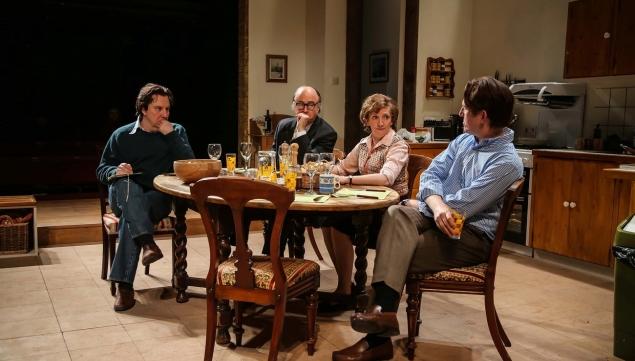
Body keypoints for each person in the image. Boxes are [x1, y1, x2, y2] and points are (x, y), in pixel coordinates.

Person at [332, 77, 523, 361]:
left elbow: (462, 205)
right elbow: (432, 175)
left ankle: (377, 334)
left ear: (482, 116)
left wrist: (430, 203)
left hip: (470, 236)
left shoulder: (506, 162)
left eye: (464, 108)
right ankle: (380, 321)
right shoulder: (463, 141)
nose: (460, 113)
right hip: (438, 217)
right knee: (396, 213)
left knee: (396, 244)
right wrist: (434, 203)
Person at [96, 83, 194, 312]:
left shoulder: (175, 131)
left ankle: (124, 286)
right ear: (143, 108)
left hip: (155, 199)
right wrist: (115, 171)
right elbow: (101, 169)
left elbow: (189, 165)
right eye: (158, 109)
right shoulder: (122, 135)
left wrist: (170, 136)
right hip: (123, 195)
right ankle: (147, 242)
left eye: (167, 109)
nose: (164, 114)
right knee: (124, 184)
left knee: (132, 219)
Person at [322, 93, 409, 300]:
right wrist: (321, 169)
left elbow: (387, 178)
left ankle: (345, 289)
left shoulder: (398, 145)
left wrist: (350, 181)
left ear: (392, 119)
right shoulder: (364, 144)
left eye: (386, 117)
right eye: (375, 117)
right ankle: (345, 284)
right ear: (366, 119)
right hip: (368, 205)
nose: (381, 123)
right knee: (327, 221)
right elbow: (342, 168)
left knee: (339, 223)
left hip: (391, 212)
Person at [271, 85, 337, 162]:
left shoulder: (328, 133)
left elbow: (311, 164)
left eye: (310, 105)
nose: (305, 110)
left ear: (318, 107)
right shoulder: (283, 125)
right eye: (300, 104)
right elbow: (274, 157)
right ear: (293, 106)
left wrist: (300, 131)